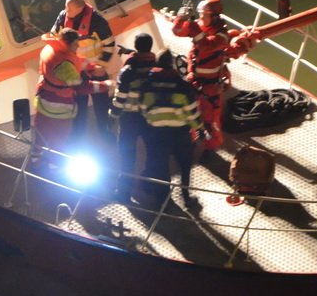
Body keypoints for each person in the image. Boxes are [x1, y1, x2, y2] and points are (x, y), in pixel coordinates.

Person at [171, 0, 258, 150]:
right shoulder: (199, 26)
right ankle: (189, 143)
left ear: (214, 17)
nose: (200, 18)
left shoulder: (222, 36)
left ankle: (210, 149)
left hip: (210, 87)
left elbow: (206, 46)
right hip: (194, 81)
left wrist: (192, 27)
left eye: (204, 15)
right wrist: (181, 18)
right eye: (200, 14)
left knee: (211, 122)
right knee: (188, 114)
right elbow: (177, 32)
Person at [33, 28, 110, 168]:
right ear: (67, 43)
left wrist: (91, 67)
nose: (78, 46)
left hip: (42, 99)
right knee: (60, 139)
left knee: (41, 135)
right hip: (58, 107)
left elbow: (76, 60)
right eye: (76, 44)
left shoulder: (53, 49)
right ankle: (55, 168)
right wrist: (106, 85)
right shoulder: (64, 64)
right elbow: (80, 87)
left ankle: (35, 161)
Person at [138, 52, 205, 209]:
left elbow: (142, 108)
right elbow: (192, 113)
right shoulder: (183, 86)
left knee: (160, 167)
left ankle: (163, 201)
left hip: (156, 133)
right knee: (185, 166)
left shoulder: (147, 85)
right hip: (180, 133)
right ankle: (186, 197)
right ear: (172, 65)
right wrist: (199, 129)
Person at [50, 0, 116, 139]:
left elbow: (110, 44)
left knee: (102, 105)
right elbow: (53, 35)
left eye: (70, 9)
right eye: (66, 9)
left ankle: (105, 133)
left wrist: (101, 66)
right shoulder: (63, 16)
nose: (66, 12)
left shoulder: (97, 21)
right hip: (76, 70)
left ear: (80, 8)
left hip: (95, 69)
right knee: (78, 106)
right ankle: (78, 138)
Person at [110, 32, 157, 199]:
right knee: (153, 152)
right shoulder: (158, 68)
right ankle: (151, 185)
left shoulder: (127, 71)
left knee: (127, 155)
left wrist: (113, 115)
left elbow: (120, 98)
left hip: (129, 118)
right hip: (151, 118)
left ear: (136, 48)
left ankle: (124, 192)